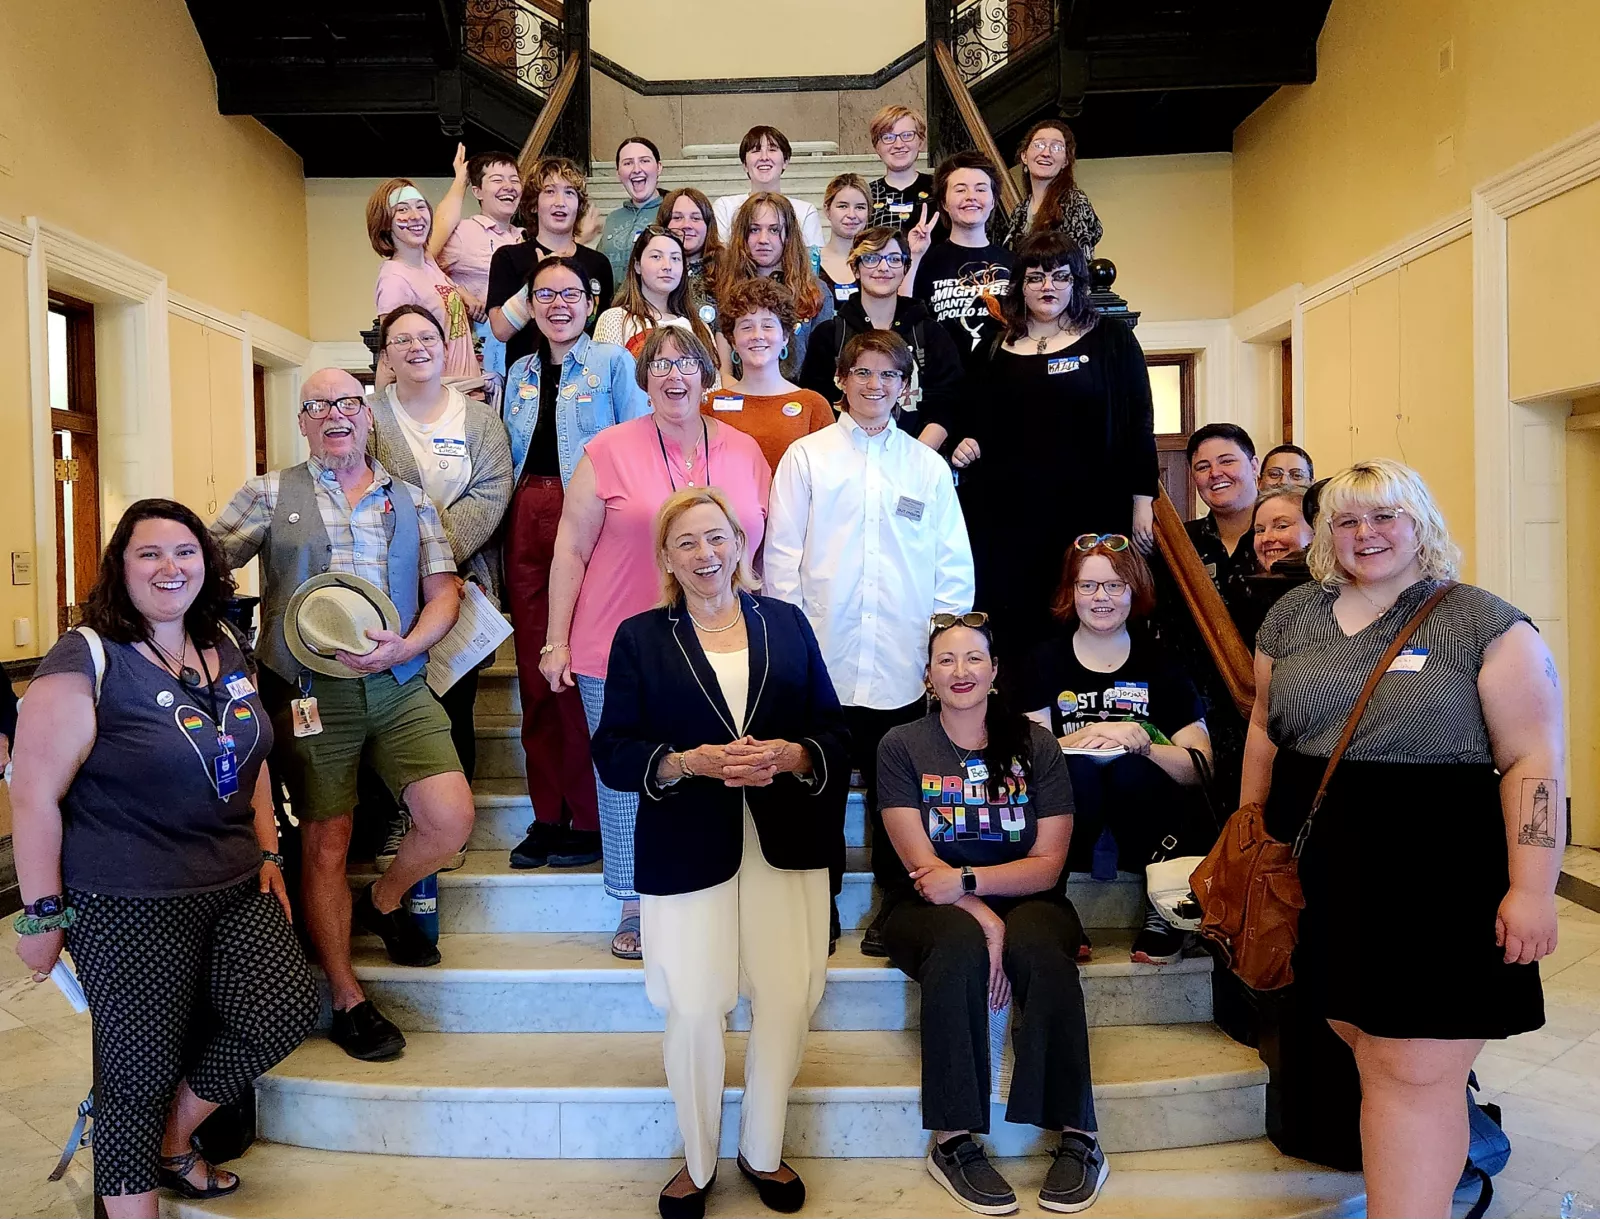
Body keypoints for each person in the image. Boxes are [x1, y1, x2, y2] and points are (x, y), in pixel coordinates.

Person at [1243, 459, 1562, 1218]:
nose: (1366, 534)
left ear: (1422, 524)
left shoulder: (1485, 622)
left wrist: (1533, 887)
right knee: (1376, 1055)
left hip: (1440, 876)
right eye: (1347, 520)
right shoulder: (1293, 616)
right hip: (1324, 876)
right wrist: (1251, 833)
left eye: (1385, 515)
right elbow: (1263, 724)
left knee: (1410, 1071)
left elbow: (1533, 761)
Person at [12, 499, 317, 1216]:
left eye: (184, 551)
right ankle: (134, 1191)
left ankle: (171, 1140)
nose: (169, 566)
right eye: (149, 553)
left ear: (207, 563)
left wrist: (270, 849)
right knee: (135, 1073)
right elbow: (32, 794)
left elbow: (252, 759)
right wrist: (41, 915)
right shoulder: (86, 655)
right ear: (121, 567)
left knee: (283, 1009)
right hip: (129, 900)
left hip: (236, 880)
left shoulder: (222, 643)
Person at [591, 487, 849, 1219]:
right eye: (687, 543)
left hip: (786, 842)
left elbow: (833, 730)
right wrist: (684, 761)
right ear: (667, 557)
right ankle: (698, 1160)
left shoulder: (789, 624)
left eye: (716, 538)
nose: (705, 554)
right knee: (696, 1006)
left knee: (788, 997)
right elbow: (613, 750)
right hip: (685, 843)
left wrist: (797, 752)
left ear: (740, 542)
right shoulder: (641, 637)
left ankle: (761, 1150)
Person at [211, 367, 474, 1062]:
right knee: (328, 837)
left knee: (450, 817)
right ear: (302, 421)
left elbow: (444, 593)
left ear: (368, 417)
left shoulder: (412, 500)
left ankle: (383, 900)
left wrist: (410, 643)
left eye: (348, 403)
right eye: (318, 405)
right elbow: (203, 566)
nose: (335, 415)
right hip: (307, 693)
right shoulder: (269, 493)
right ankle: (345, 994)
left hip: (399, 680)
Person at [539, 328, 771, 959]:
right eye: (661, 365)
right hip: (617, 645)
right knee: (629, 779)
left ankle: (713, 889)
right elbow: (570, 547)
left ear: (707, 374)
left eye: (687, 364)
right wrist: (554, 641)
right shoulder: (607, 450)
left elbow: (761, 548)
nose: (675, 375)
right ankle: (636, 903)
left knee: (717, 767)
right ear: (644, 379)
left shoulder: (745, 450)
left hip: (725, 639)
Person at [877, 615, 1106, 1215]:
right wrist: (985, 917)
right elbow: (924, 871)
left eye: (973, 658)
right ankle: (953, 1140)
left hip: (1029, 899)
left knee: (1041, 952)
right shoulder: (902, 746)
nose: (960, 671)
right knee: (958, 946)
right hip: (928, 907)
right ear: (928, 676)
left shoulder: (1037, 746)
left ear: (995, 672)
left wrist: (974, 883)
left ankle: (1079, 1137)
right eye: (946, 660)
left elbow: (1049, 864)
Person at [767, 330, 975, 957]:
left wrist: (943, 653)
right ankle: (816, 905)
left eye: (889, 375)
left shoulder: (927, 467)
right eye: (863, 372)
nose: (875, 385)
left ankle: (897, 908)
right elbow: (782, 560)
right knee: (816, 793)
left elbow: (952, 570)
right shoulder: (806, 459)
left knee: (900, 798)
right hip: (824, 659)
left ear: (905, 386)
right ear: (841, 378)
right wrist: (794, 648)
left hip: (903, 664)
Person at [500, 258, 650, 871]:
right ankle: (547, 813)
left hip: (592, 518)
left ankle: (591, 816)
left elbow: (639, 445)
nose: (557, 304)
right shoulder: (518, 371)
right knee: (538, 676)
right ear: (531, 305)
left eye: (570, 293)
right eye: (544, 294)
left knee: (584, 673)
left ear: (590, 303)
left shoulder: (615, 365)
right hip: (526, 516)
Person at [958, 233, 1158, 661]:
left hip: (1090, 511)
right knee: (1016, 629)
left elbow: (1138, 422)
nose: (1047, 287)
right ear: (1019, 285)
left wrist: (1143, 501)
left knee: (1086, 612)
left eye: (1059, 277)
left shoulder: (1112, 340)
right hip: (1007, 520)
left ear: (1076, 283)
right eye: (1035, 278)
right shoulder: (992, 349)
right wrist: (965, 442)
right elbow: (970, 419)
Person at [1017, 533, 1213, 965]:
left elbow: (1200, 766)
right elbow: (1026, 756)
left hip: (1144, 817)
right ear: (1071, 593)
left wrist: (1142, 743)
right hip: (1072, 818)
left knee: (1132, 770)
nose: (1100, 597)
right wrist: (1090, 736)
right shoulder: (1043, 661)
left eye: (1113, 585)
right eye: (1087, 586)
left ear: (1133, 590)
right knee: (1078, 773)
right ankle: (1054, 904)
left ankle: (1161, 908)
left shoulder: (1161, 662)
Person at [366, 304, 514, 866]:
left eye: (426, 336)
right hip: (382, 589)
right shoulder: (369, 416)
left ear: (445, 343)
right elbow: (362, 485)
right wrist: (410, 557)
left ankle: (450, 826)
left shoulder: (480, 421)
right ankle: (393, 818)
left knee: (455, 705)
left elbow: (492, 493)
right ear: (386, 353)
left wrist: (432, 553)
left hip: (463, 587)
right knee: (387, 707)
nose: (416, 347)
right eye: (401, 339)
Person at [798, 226, 965, 450]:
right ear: (855, 269)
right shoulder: (829, 335)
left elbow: (947, 402)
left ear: (906, 267)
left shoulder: (931, 333)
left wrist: (914, 460)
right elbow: (817, 404)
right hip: (844, 461)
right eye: (871, 258)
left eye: (894, 259)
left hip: (915, 460)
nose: (883, 267)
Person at [488, 156, 615, 370]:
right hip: (528, 384)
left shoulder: (598, 263)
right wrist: (540, 279)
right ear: (534, 204)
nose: (560, 202)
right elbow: (500, 330)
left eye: (569, 192)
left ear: (579, 205)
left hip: (586, 383)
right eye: (549, 191)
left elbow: (602, 333)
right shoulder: (508, 257)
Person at [704, 277, 833, 471]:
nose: (757, 335)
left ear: (785, 337)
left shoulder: (813, 406)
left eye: (768, 326)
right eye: (746, 327)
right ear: (732, 340)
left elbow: (829, 477)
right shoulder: (709, 406)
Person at [367, 177, 480, 382]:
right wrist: (382, 410)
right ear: (384, 221)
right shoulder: (394, 280)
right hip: (438, 398)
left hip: (466, 391)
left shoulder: (428, 264)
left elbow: (446, 217)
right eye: (402, 210)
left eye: (421, 207)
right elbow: (391, 356)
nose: (415, 216)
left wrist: (460, 178)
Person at [429, 146, 525, 386]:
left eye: (514, 180)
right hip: (480, 357)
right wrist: (462, 295)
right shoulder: (464, 233)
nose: (508, 186)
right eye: (497, 180)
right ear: (478, 191)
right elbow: (424, 266)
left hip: (523, 352)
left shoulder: (525, 238)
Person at [912, 151, 1014, 363]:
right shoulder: (926, 261)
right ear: (944, 202)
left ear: (994, 200)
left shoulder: (1014, 262)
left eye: (981, 189)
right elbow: (906, 318)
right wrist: (914, 256)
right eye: (960, 189)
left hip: (1004, 381)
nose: (971, 197)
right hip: (943, 383)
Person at [719, 192, 834, 380]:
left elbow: (824, 367)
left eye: (774, 230)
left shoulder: (816, 291)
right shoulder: (724, 288)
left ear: (788, 235)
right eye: (754, 229)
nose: (763, 239)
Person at [594, 226, 718, 357]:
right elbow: (602, 374)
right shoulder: (614, 320)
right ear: (637, 265)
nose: (667, 266)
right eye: (656, 256)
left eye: (675, 258)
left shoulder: (698, 326)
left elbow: (713, 377)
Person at [1185, 423, 1262, 612]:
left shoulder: (1286, 536)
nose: (1215, 473)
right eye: (1203, 467)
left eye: (1227, 461)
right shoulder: (1182, 542)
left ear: (1254, 466)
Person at [712, 126, 824, 248]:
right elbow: (721, 258)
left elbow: (812, 261)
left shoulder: (805, 212)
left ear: (785, 161)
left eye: (772, 150)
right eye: (755, 150)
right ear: (744, 164)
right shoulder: (725, 208)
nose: (764, 157)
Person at [1002, 120, 1103, 255]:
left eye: (1056, 147)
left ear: (1065, 161)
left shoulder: (1074, 202)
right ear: (1024, 156)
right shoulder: (1020, 211)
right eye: (1039, 145)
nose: (1046, 153)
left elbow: (1077, 264)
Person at [599, 136, 666, 285]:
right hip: (615, 307)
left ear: (659, 167)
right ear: (618, 173)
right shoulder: (612, 219)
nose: (636, 169)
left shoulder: (673, 212)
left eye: (644, 161)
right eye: (628, 163)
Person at [867, 104, 934, 235]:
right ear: (876, 146)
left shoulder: (940, 189)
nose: (898, 145)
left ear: (921, 142)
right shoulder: (866, 195)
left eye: (907, 135)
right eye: (888, 137)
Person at [658, 186, 725, 309]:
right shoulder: (650, 270)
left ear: (708, 225)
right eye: (677, 217)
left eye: (696, 218)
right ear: (664, 224)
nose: (686, 225)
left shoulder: (728, 271)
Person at [818, 173, 871, 304]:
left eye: (860, 207)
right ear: (827, 210)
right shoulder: (808, 264)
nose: (851, 215)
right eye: (842, 206)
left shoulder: (879, 263)